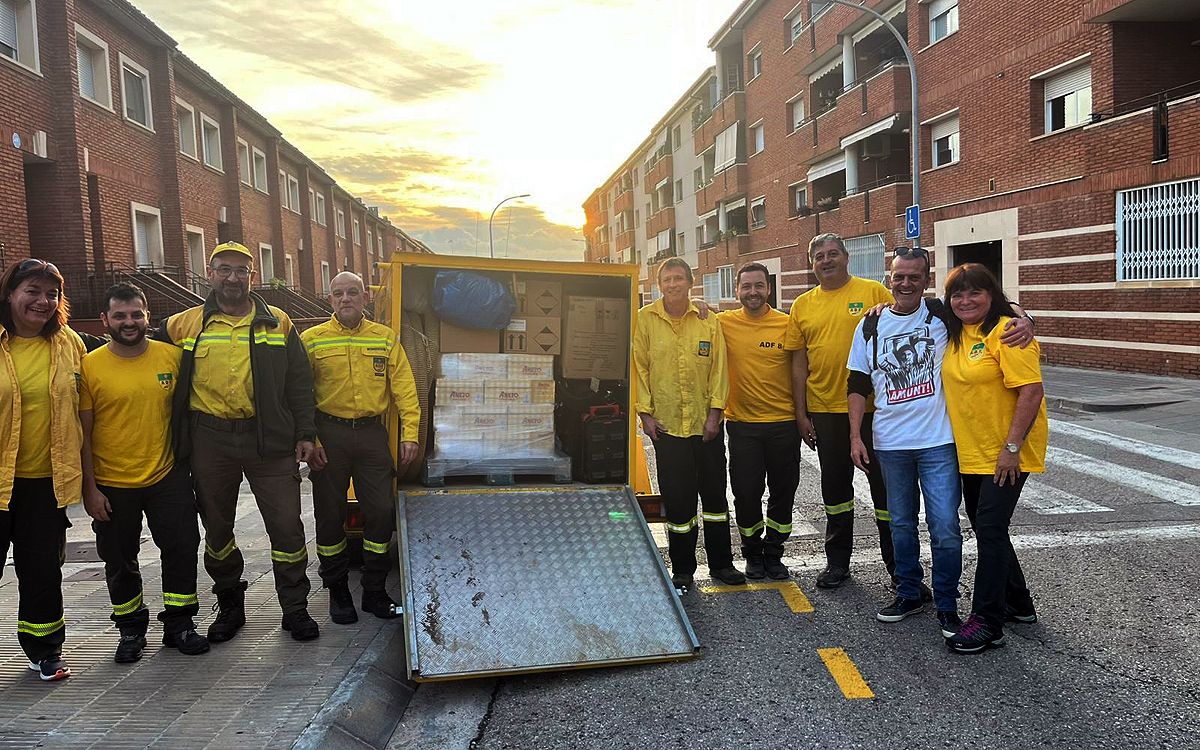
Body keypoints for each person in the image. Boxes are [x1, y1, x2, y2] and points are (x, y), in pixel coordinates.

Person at [156, 241, 320, 642]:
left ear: (253, 275)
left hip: (269, 439)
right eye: (223, 269)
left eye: (240, 270)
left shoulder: (278, 321)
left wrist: (306, 433)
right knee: (217, 528)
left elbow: (299, 381)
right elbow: (148, 366)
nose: (232, 277)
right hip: (209, 439)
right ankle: (230, 604)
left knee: (286, 527)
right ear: (210, 273)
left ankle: (295, 609)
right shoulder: (183, 324)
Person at [80, 283, 209, 663]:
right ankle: (131, 631)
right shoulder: (90, 366)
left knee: (182, 549)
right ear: (105, 321)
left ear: (147, 316)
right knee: (120, 560)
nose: (129, 322)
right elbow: (82, 434)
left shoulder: (171, 358)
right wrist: (90, 490)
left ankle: (180, 625)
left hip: (167, 477)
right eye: (120, 315)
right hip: (112, 483)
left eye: (136, 314)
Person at [847, 248, 963, 638]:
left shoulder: (941, 316)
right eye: (899, 276)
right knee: (901, 524)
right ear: (888, 279)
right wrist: (855, 438)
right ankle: (910, 592)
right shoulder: (869, 325)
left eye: (914, 276)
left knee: (945, 526)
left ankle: (947, 603)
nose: (906, 283)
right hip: (889, 444)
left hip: (937, 442)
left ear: (926, 279)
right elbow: (858, 384)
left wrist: (1025, 318)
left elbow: (994, 310)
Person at [940, 263, 1047, 654]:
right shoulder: (953, 328)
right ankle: (1019, 605)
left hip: (1006, 453)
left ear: (992, 295)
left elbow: (1031, 392)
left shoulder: (1008, 332)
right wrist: (877, 309)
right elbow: (906, 300)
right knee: (989, 527)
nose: (965, 301)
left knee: (988, 526)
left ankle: (988, 621)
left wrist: (1012, 448)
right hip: (971, 451)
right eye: (958, 294)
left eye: (975, 293)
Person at [302, 271, 421, 623]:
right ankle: (337, 591)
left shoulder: (384, 338)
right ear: (330, 300)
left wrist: (409, 433)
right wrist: (312, 439)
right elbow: (300, 394)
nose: (345, 299)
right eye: (338, 293)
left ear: (365, 298)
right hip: (329, 434)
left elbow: (405, 389)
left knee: (382, 512)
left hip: (371, 436)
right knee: (329, 516)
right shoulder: (312, 339)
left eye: (353, 292)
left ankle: (374, 591)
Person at [784, 234, 897, 589]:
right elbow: (798, 364)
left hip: (875, 410)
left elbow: (903, 327)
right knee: (835, 491)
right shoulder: (802, 305)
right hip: (825, 410)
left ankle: (899, 567)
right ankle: (837, 563)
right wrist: (801, 414)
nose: (826, 260)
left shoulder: (874, 293)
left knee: (886, 491)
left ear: (847, 257)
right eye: (819, 256)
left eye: (833, 254)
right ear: (811, 263)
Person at [634, 258, 744, 594]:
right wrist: (646, 415)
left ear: (690, 282)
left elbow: (719, 368)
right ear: (658, 284)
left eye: (679, 278)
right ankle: (682, 569)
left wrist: (715, 413)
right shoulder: (645, 320)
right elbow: (639, 367)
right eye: (667, 279)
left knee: (713, 499)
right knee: (678, 503)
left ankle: (722, 564)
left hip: (705, 426)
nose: (673, 284)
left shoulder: (707, 319)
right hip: (667, 428)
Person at [0, 259, 85, 681]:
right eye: (33, 290)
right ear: (11, 293)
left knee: (42, 571)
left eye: (51, 293)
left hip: (44, 483)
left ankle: (45, 650)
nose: (43, 301)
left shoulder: (69, 343)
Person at [717, 262, 798, 581]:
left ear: (769, 288)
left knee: (783, 491)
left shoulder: (787, 324)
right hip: (742, 426)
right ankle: (752, 552)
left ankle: (774, 552)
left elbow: (799, 371)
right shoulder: (722, 322)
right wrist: (696, 305)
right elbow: (697, 317)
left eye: (759, 286)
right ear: (736, 290)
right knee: (746, 493)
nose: (753, 292)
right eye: (746, 286)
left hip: (783, 423)